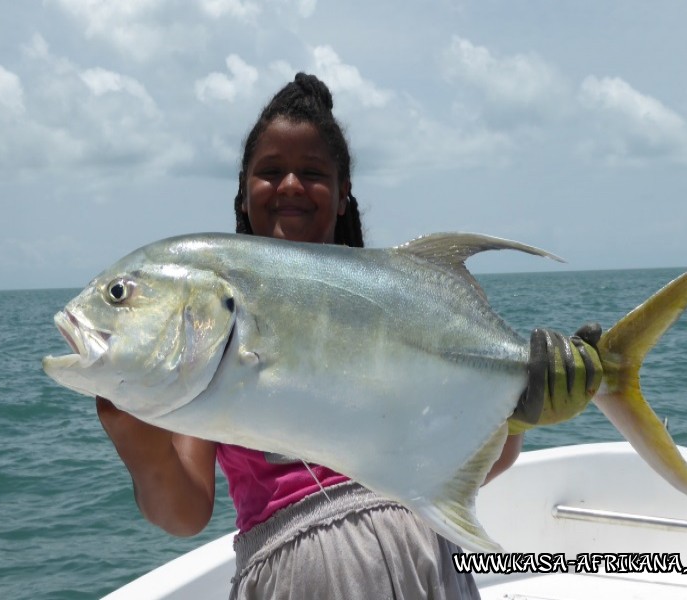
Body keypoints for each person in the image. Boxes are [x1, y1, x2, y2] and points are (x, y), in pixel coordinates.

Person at [97, 73, 524, 599]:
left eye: (313, 173)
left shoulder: (400, 308)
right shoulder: (217, 325)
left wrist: (519, 410)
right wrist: (133, 437)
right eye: (271, 171)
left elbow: (473, 466)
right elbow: (184, 512)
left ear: (344, 195)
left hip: (429, 565)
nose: (292, 185)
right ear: (243, 190)